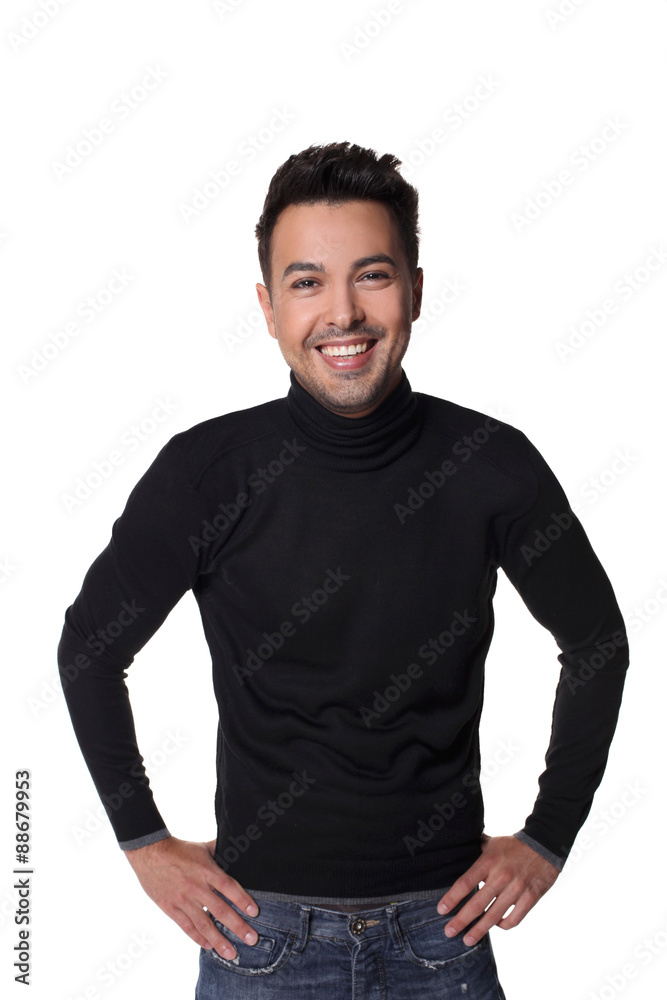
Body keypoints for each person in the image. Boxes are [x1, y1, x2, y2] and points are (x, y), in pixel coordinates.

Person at [58, 141, 629, 999]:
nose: (342, 313)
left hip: (442, 934)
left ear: (415, 290)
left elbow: (596, 641)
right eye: (306, 282)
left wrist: (547, 836)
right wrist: (143, 842)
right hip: (262, 937)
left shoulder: (488, 463)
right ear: (267, 306)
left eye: (371, 275)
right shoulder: (207, 470)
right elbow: (89, 652)